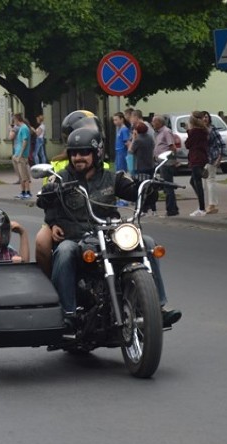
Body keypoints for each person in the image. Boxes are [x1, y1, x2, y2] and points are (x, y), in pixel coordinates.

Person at [36, 126, 181, 329]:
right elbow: (45, 203)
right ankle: (67, 313)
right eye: (74, 153)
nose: (78, 157)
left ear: (97, 153)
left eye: (84, 152)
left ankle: (158, 308)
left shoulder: (112, 178)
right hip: (76, 237)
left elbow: (135, 192)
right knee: (64, 251)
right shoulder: (61, 177)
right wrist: (50, 195)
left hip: (110, 235)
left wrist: (148, 186)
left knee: (147, 243)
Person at [34, 109, 105, 277]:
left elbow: (120, 187)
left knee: (142, 243)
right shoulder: (58, 166)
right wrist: (53, 223)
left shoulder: (102, 165)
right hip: (64, 217)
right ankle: (51, 281)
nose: (79, 157)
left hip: (101, 222)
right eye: (75, 153)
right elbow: (48, 201)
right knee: (43, 241)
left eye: (91, 127)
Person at [151, 115, 178, 217]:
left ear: (159, 122)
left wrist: (172, 160)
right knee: (166, 185)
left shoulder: (166, 132)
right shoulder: (157, 133)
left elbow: (172, 147)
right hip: (160, 162)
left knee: (167, 186)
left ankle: (171, 209)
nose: (152, 123)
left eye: (154, 121)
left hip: (166, 163)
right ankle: (173, 208)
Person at [128, 120, 157, 215]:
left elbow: (130, 151)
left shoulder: (138, 140)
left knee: (140, 188)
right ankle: (153, 208)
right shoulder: (149, 138)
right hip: (150, 165)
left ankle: (139, 209)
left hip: (141, 167)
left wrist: (133, 138)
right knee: (150, 187)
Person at [184, 111, 209, 217]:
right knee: (193, 181)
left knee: (197, 182)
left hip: (195, 158)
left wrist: (188, 132)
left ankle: (202, 207)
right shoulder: (204, 131)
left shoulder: (194, 132)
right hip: (202, 157)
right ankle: (201, 203)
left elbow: (188, 144)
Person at [203, 110, 224, 214]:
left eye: (206, 117)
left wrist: (219, 158)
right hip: (202, 158)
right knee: (205, 181)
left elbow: (221, 144)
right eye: (202, 117)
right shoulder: (199, 130)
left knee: (210, 180)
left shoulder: (212, 129)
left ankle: (212, 205)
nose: (204, 119)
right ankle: (208, 204)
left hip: (211, 157)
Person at [11, 114, 32, 199]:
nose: (14, 122)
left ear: (17, 119)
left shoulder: (24, 128)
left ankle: (28, 192)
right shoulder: (21, 128)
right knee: (20, 175)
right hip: (17, 154)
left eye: (14, 120)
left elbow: (25, 141)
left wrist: (20, 154)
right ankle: (23, 192)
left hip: (21, 155)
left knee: (24, 175)